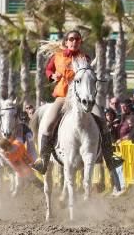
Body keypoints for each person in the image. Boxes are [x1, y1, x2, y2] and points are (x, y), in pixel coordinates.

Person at [31, 30, 122, 176]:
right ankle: (43, 160)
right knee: (48, 125)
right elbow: (48, 70)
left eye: (77, 39)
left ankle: (110, 158)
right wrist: (53, 75)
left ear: (80, 42)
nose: (74, 42)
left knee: (103, 121)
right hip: (63, 97)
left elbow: (88, 76)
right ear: (66, 42)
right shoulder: (57, 56)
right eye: (71, 39)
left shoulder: (84, 58)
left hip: (82, 100)